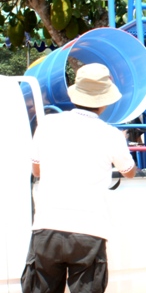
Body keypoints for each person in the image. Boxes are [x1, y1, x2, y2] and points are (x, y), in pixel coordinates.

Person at [21, 63, 137, 293]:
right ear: (104, 101)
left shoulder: (48, 124)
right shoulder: (111, 134)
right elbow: (129, 172)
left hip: (47, 226)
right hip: (89, 230)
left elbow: (36, 171)